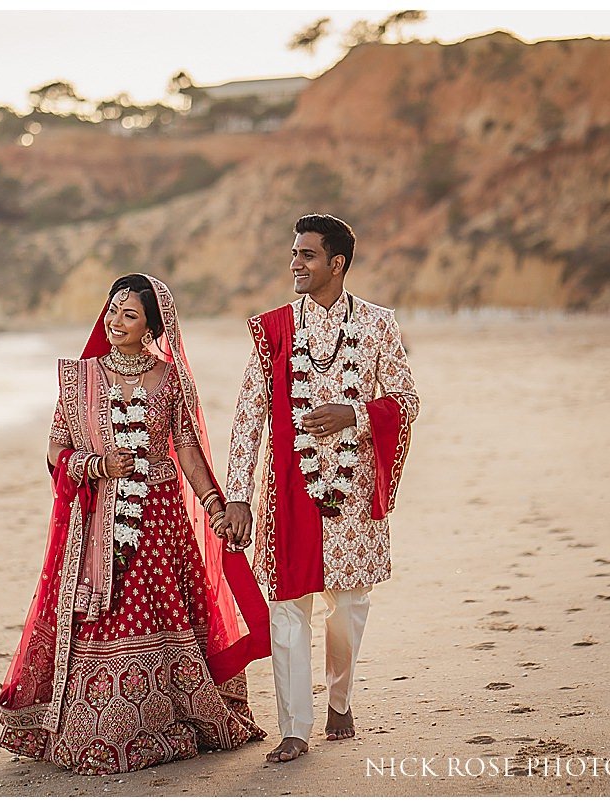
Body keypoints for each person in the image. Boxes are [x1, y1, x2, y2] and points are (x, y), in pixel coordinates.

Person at [0, 273, 270, 776]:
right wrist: (96, 466)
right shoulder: (81, 378)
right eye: (112, 309)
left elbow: (186, 447)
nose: (115, 321)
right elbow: (55, 450)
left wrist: (214, 503)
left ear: (152, 326)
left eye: (129, 315)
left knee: (163, 613)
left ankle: (170, 716)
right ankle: (104, 722)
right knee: (105, 614)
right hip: (99, 524)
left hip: (160, 518)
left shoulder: (169, 380)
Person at [219, 214, 419, 763]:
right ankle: (294, 728)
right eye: (293, 253)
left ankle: (339, 698)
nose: (295, 264)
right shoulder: (272, 329)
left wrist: (353, 413)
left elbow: (406, 399)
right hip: (287, 489)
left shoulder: (378, 325)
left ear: (338, 263)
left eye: (307, 255)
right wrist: (238, 494)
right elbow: (248, 416)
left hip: (354, 490)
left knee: (349, 606)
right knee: (288, 606)